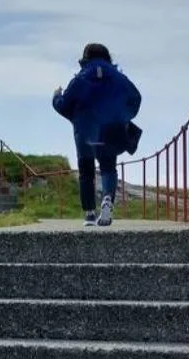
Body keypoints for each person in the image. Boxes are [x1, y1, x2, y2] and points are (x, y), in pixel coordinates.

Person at [53, 43, 142, 227]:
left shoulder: (80, 78)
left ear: (85, 59)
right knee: (108, 167)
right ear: (107, 56)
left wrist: (57, 96)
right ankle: (107, 199)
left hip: (85, 130)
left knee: (86, 171)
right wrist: (122, 117)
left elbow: (64, 105)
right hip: (111, 129)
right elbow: (136, 98)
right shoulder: (118, 77)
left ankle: (90, 214)